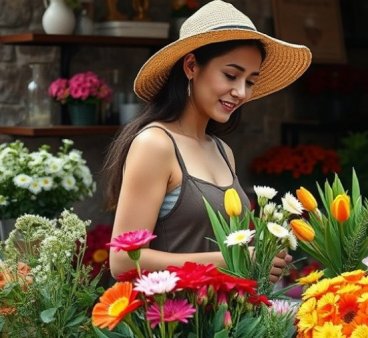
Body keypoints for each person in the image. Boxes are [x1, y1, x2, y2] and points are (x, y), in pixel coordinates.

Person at [104, 0, 311, 281]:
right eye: (231, 75)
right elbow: (123, 260)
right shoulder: (155, 144)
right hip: (171, 320)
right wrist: (232, 261)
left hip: (226, 319)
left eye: (250, 81)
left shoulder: (223, 151)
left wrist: (261, 258)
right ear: (191, 66)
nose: (241, 92)